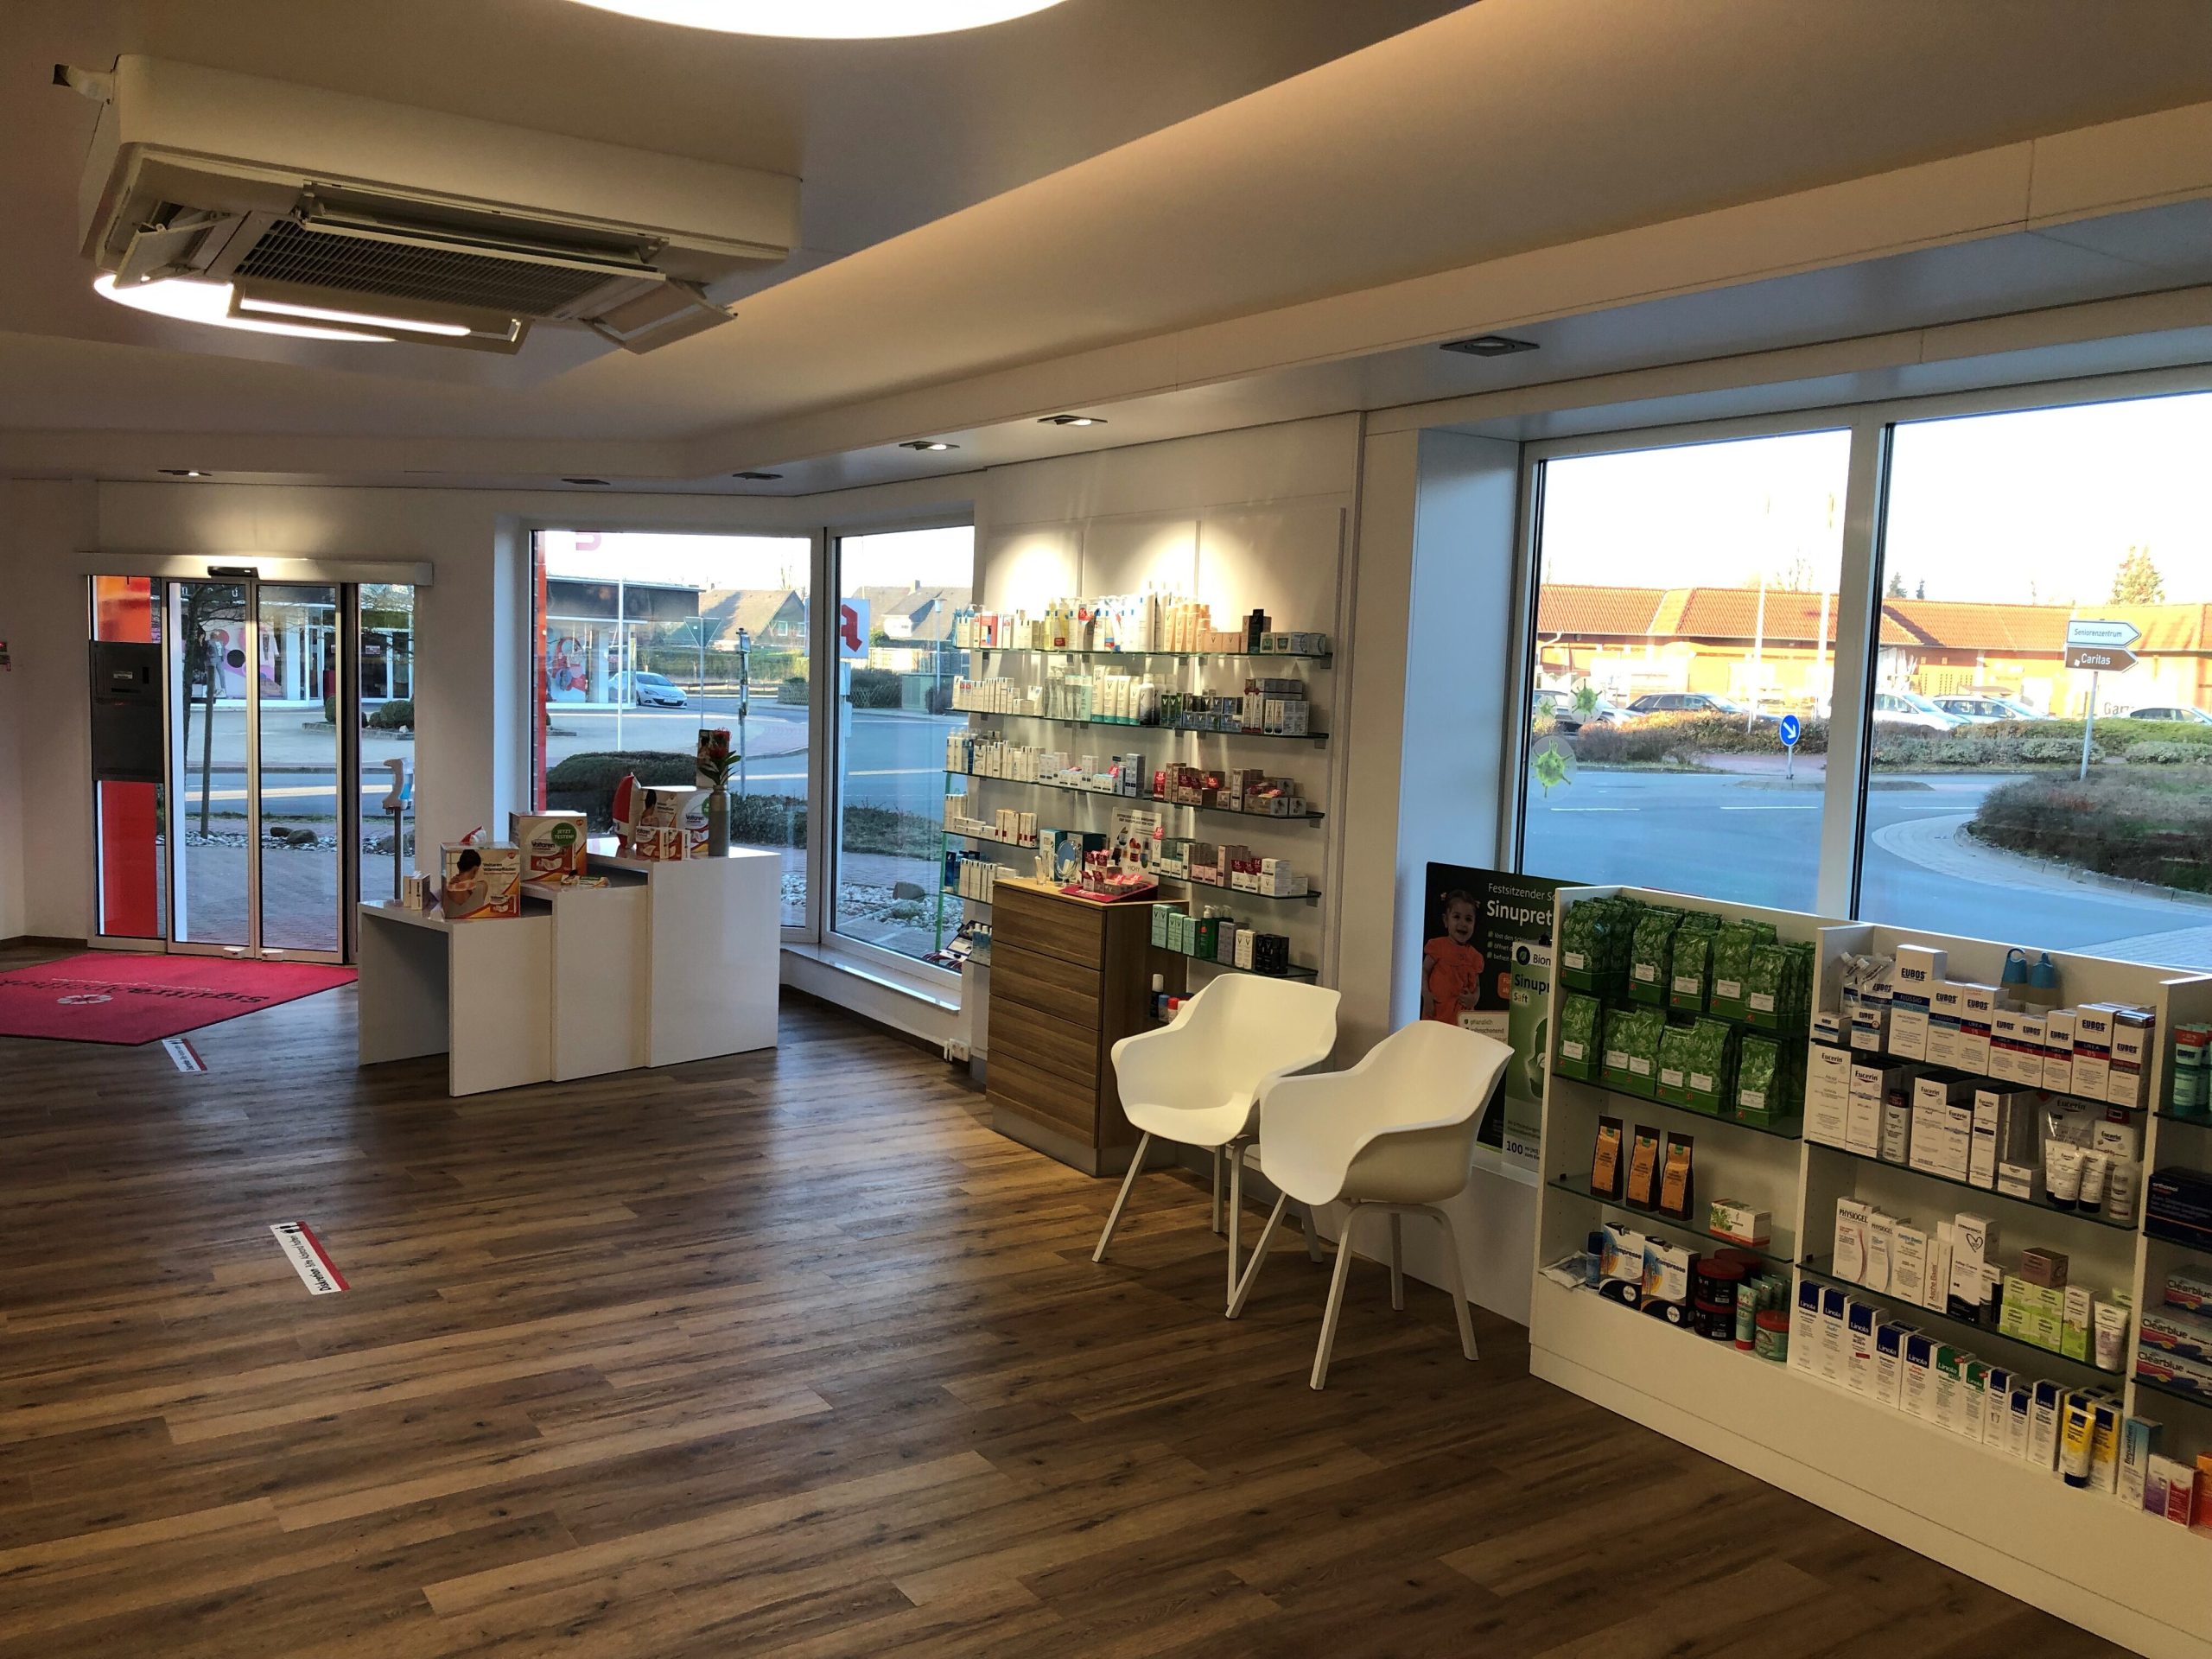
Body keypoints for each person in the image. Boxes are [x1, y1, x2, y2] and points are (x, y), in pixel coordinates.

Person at [1421, 887, 1486, 1024]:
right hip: (1437, 1013)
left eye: (1468, 919)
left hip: (1462, 1018)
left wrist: (1474, 998)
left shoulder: (1475, 957)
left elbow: (1478, 985)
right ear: (1446, 920)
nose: (1463, 924)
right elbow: (1424, 971)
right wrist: (1426, 994)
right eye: (1456, 917)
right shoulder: (1438, 946)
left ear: (1474, 924)